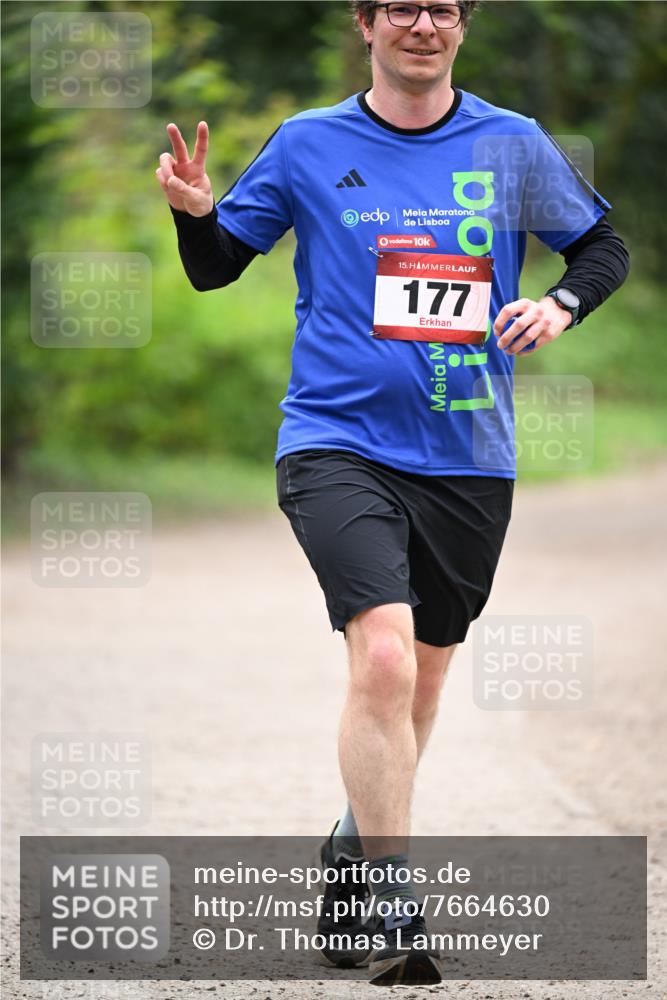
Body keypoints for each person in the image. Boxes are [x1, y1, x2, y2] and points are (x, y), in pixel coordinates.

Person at [156, 0, 629, 986]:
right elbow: (212, 271)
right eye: (402, 7)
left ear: (461, 28)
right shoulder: (306, 144)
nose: (424, 23)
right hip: (334, 443)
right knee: (379, 655)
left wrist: (556, 303)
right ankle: (394, 897)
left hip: (468, 455)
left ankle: (348, 846)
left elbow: (601, 251)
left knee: (420, 678)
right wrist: (193, 214)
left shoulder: (512, 143)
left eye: (442, 8)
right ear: (366, 25)